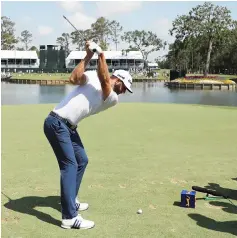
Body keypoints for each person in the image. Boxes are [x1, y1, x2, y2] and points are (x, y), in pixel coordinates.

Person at [43, 41, 133, 230]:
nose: (124, 92)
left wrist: (101, 55)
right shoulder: (94, 76)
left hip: (68, 127)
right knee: (70, 165)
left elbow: (105, 81)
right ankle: (69, 217)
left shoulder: (113, 99)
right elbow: (74, 78)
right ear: (119, 80)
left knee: (81, 160)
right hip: (56, 122)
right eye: (124, 87)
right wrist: (89, 56)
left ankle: (70, 200)